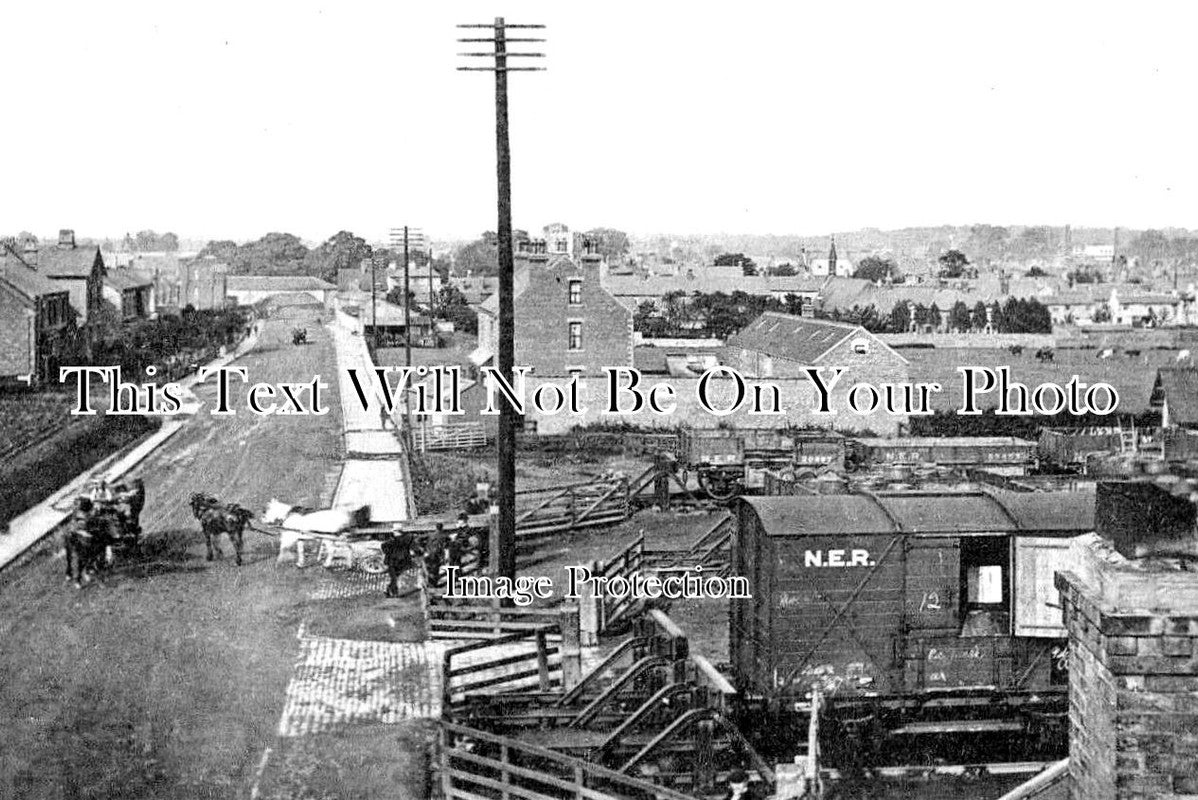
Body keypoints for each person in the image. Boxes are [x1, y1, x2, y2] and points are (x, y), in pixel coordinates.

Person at [381, 525, 414, 598]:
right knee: (395, 577)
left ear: (395, 531)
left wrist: (387, 552)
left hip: (392, 561)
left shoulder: (391, 541)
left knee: (394, 578)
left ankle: (390, 591)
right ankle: (392, 592)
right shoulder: (406, 539)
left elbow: (383, 546)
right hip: (401, 561)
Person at [425, 522, 448, 589]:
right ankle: (434, 584)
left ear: (436, 527)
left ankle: (430, 584)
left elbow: (418, 539)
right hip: (438, 554)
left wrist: (424, 547)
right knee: (435, 570)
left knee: (430, 569)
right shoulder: (444, 535)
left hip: (430, 553)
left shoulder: (431, 534)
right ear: (442, 528)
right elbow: (447, 544)